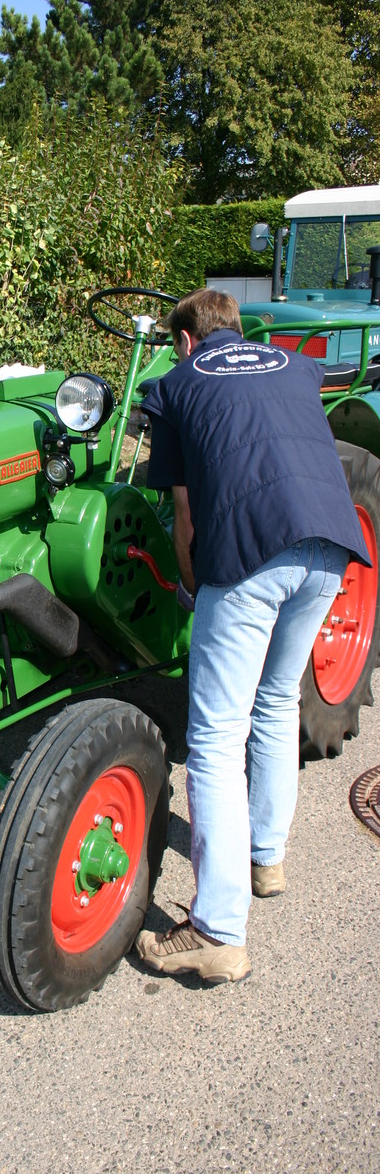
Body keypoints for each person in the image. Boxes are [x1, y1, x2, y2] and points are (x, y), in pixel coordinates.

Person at [134, 289, 371, 982]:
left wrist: (191, 588)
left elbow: (185, 514)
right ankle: (267, 859)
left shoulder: (175, 384)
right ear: (237, 329)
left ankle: (217, 931)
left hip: (252, 555)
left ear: (184, 341)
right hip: (330, 546)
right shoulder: (295, 365)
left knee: (213, 738)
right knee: (275, 700)